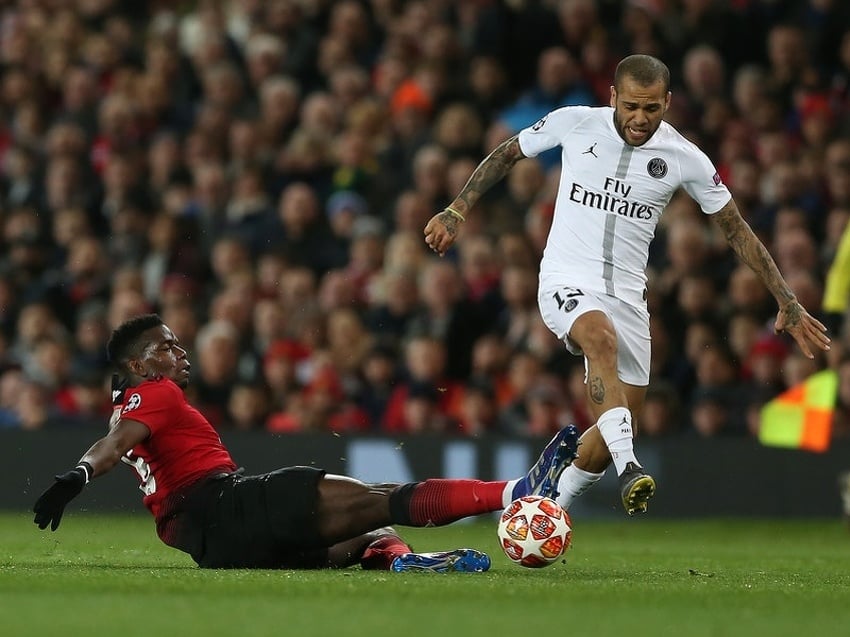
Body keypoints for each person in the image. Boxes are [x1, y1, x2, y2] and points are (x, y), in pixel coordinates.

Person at [423, 54, 831, 516]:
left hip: (629, 300)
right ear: (613, 97)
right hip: (565, 278)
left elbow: (736, 230)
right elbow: (508, 153)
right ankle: (631, 468)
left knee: (611, 429)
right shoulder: (574, 123)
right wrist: (457, 209)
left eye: (652, 108)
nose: (641, 119)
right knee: (600, 341)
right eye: (632, 106)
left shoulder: (685, 158)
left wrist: (788, 301)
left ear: (668, 102)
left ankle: (544, 510)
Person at [33, 314, 579, 571]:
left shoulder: (126, 400)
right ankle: (518, 490)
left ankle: (402, 562)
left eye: (177, 344)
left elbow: (115, 438)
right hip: (228, 504)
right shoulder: (157, 394)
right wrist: (78, 476)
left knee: (368, 532)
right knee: (385, 498)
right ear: (138, 365)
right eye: (166, 347)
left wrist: (77, 474)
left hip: (211, 547)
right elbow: (113, 445)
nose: (180, 353)